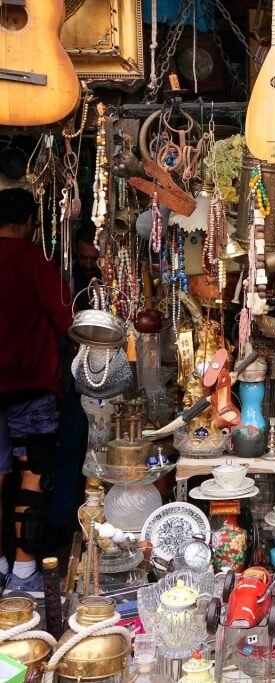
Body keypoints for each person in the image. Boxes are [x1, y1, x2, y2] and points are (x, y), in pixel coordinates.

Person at [0, 187, 73, 594]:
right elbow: (66, 318)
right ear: (30, 223)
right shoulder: (33, 261)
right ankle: (23, 573)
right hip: (29, 387)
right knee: (32, 475)